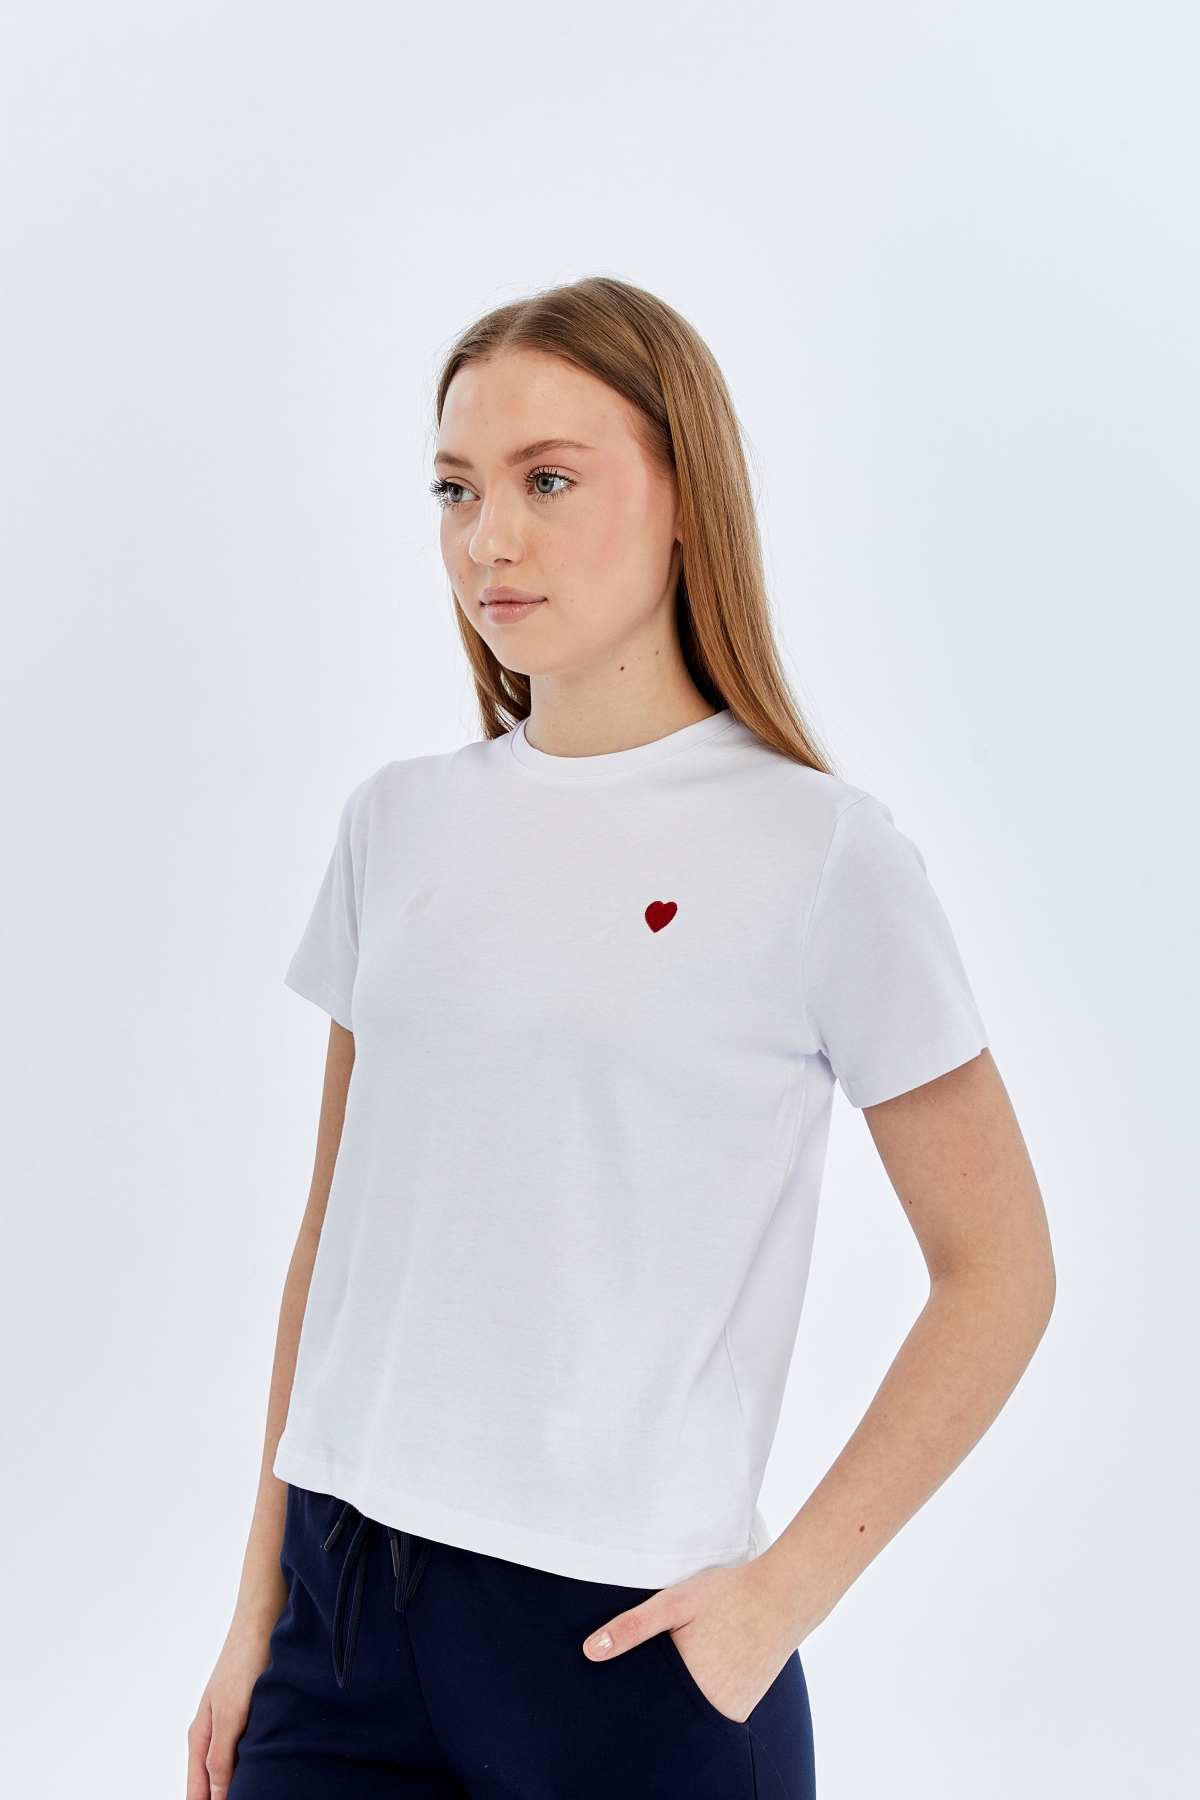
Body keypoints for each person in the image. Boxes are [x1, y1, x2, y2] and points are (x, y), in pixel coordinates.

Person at [186, 277, 1055, 1800]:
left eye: (548, 481)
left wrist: (776, 1606)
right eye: (456, 489)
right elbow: (333, 1235)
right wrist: (254, 1613)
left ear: (684, 500)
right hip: (341, 1618)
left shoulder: (821, 853)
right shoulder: (397, 824)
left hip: (622, 1648)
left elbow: (1001, 1270)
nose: (487, 538)